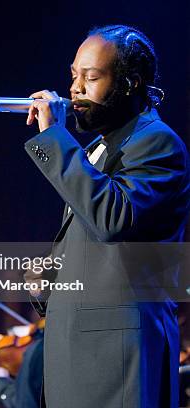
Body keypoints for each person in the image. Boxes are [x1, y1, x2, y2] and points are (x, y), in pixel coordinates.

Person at [22, 25, 190, 407]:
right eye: (73, 76)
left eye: (91, 77)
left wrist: (55, 139)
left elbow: (114, 218)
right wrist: (52, 276)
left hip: (117, 355)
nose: (75, 89)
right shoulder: (97, 149)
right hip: (76, 350)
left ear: (131, 83)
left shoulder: (157, 143)